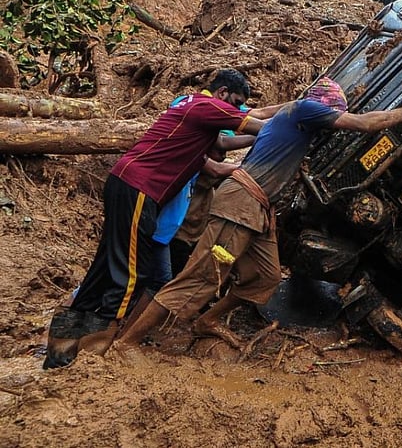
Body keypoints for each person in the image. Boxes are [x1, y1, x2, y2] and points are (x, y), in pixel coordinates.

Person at [116, 77, 402, 350]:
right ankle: (127, 343)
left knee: (266, 277)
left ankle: (207, 320)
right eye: (332, 114)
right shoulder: (305, 109)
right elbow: (363, 124)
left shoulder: (292, 118)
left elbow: (266, 130)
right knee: (200, 277)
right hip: (240, 204)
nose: (331, 120)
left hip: (257, 209)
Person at [43, 68, 269, 370]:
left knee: (105, 264)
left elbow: (221, 152)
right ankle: (97, 350)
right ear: (223, 93)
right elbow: (259, 125)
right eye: (236, 102)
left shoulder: (189, 111)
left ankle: (61, 348)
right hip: (141, 188)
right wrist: (300, 121)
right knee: (130, 272)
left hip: (125, 182)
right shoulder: (208, 106)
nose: (236, 109)